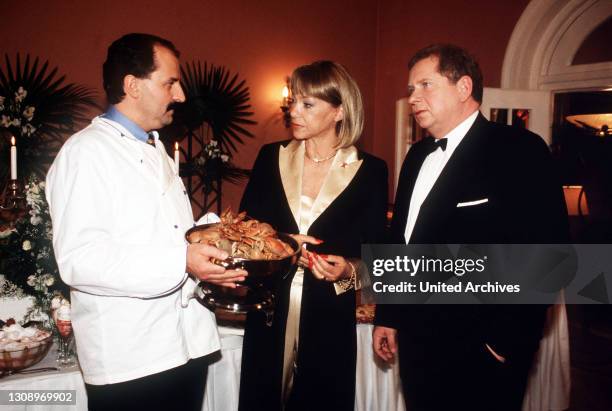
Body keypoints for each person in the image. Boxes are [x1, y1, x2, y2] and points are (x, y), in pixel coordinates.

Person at [45, 33, 246, 411]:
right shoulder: (85, 153)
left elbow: (164, 234)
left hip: (183, 349)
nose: (181, 95)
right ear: (132, 86)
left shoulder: (155, 149)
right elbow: (80, 259)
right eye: (170, 82)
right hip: (131, 361)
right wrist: (181, 260)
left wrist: (214, 234)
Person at [373, 44, 569, 411]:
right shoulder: (416, 157)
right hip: (417, 346)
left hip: (482, 352)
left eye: (424, 85)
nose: (413, 97)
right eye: (411, 89)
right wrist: (389, 315)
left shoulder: (518, 150)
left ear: (464, 88)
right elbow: (399, 243)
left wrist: (504, 342)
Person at [238, 60, 388, 411]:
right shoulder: (270, 157)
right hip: (268, 309)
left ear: (339, 111)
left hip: (329, 315)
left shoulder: (371, 171)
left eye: (307, 104)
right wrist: (285, 243)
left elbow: (379, 254)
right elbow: (243, 232)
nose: (294, 112)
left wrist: (349, 272)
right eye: (293, 102)